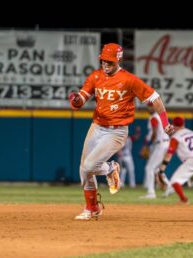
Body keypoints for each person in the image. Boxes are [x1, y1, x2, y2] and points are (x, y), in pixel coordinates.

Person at [69, 43, 175, 220]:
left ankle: (111, 167)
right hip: (97, 126)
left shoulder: (129, 79)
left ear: (118, 60)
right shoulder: (96, 76)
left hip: (116, 131)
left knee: (90, 166)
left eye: (109, 62)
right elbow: (81, 100)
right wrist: (76, 100)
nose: (106, 64)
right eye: (103, 60)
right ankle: (92, 208)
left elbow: (155, 98)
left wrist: (165, 122)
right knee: (83, 170)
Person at [157, 116, 193, 205]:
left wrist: (162, 169)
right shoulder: (191, 132)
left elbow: (169, 155)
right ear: (183, 124)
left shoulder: (175, 137)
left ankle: (184, 200)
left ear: (173, 125)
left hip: (191, 160)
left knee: (174, 181)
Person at [139, 102, 174, 199]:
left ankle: (151, 193)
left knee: (149, 168)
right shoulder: (160, 117)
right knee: (157, 169)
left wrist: (149, 145)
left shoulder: (154, 117)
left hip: (160, 144)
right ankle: (170, 186)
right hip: (165, 143)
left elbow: (154, 132)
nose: (150, 108)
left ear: (155, 108)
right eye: (149, 106)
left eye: (151, 106)